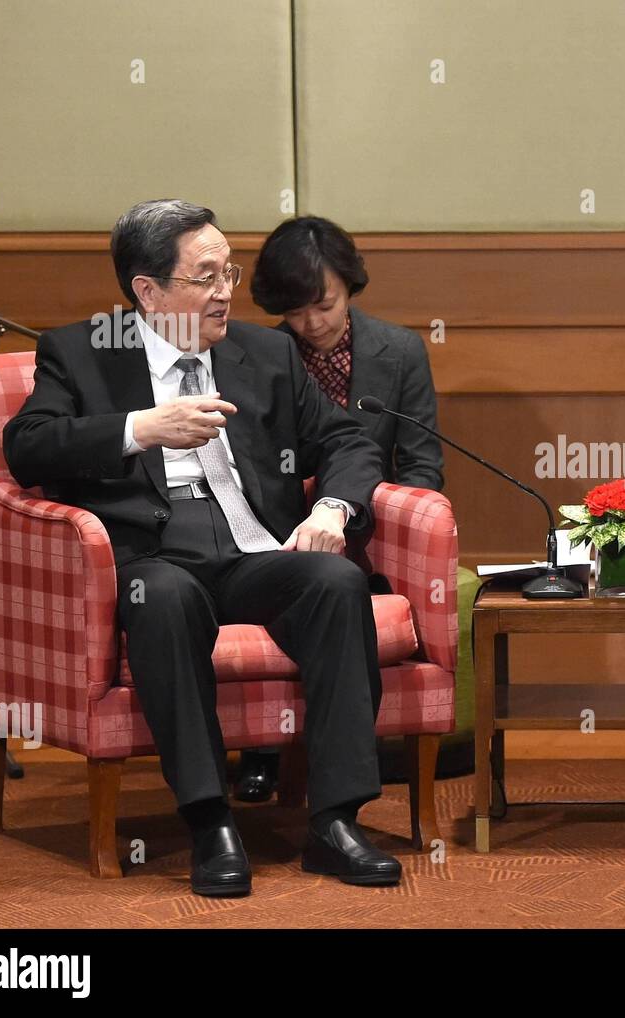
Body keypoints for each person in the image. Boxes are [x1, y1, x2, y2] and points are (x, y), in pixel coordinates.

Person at [3, 199, 403, 896]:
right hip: (154, 557)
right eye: (206, 276)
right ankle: (210, 818)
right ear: (148, 291)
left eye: (229, 272)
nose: (226, 292)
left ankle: (335, 821)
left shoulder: (267, 351)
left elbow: (346, 439)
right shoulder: (81, 352)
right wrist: (139, 428)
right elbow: (26, 445)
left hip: (253, 550)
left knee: (336, 583)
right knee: (160, 597)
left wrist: (335, 509)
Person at [231, 215, 447, 802]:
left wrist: (397, 523)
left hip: (368, 530)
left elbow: (422, 464)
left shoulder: (398, 352)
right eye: (296, 310)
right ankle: (262, 750)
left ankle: (349, 763)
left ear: (349, 285)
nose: (312, 323)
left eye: (323, 304)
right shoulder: (261, 356)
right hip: (279, 532)